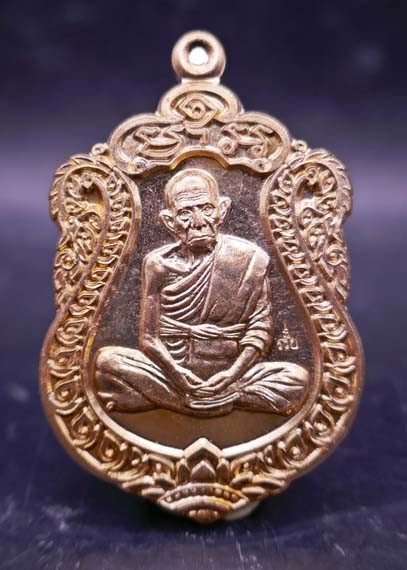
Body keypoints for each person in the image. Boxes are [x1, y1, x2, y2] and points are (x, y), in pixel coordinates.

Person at [94, 169, 309, 416]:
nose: (198, 222)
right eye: (185, 213)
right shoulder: (157, 264)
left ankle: (175, 399)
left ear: (222, 211)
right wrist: (178, 374)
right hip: (171, 370)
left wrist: (231, 375)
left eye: (206, 209)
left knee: (298, 380)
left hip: (232, 369)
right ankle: (218, 400)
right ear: (169, 221)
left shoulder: (251, 258)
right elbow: (149, 338)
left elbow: (260, 331)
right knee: (106, 362)